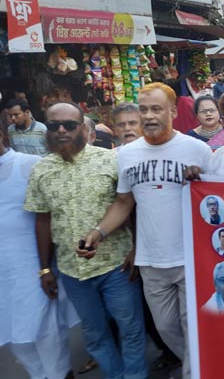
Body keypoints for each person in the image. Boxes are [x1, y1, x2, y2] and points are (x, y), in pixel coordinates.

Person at [85, 82, 213, 379]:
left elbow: (219, 202)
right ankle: (204, 367)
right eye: (143, 109)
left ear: (171, 111)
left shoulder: (198, 150)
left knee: (192, 326)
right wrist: (99, 233)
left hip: (191, 260)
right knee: (166, 328)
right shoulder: (127, 154)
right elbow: (123, 201)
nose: (149, 116)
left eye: (156, 109)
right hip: (150, 261)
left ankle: (196, 372)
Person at [25, 102, 147, 379]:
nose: (61, 130)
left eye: (69, 125)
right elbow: (42, 220)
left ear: (82, 127)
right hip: (72, 271)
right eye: (54, 125)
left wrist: (137, 249)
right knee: (94, 335)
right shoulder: (40, 170)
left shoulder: (110, 160)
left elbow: (129, 205)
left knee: (130, 329)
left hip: (117, 264)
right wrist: (45, 268)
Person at [0, 126, 78, 379]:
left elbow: (56, 210)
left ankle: (60, 374)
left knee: (44, 325)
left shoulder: (29, 164)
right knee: (12, 333)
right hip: (3, 269)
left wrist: (47, 265)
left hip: (32, 262)